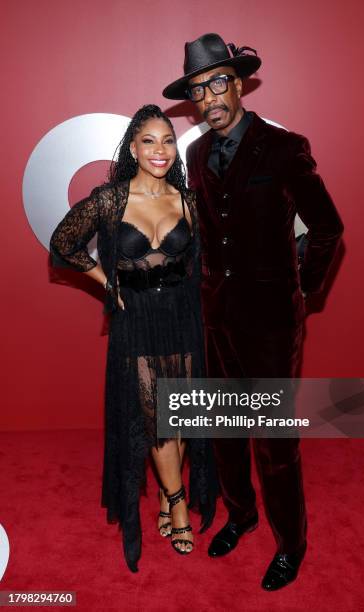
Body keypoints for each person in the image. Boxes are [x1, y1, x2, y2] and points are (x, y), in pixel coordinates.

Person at [163, 33, 344, 590]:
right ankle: (241, 515)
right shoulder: (194, 155)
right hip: (216, 316)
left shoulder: (285, 148)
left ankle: (292, 543)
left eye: (217, 82)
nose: (210, 96)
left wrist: (301, 292)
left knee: (273, 439)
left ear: (238, 83)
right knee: (224, 429)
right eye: (198, 89)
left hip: (271, 322)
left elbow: (328, 228)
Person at [49, 104, 217, 573]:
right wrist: (107, 282)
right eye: (149, 140)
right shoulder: (110, 200)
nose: (159, 150)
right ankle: (179, 504)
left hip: (182, 315)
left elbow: (204, 260)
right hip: (137, 320)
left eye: (167, 140)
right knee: (156, 417)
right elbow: (64, 242)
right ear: (132, 147)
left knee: (181, 414)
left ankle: (166, 498)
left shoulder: (188, 201)